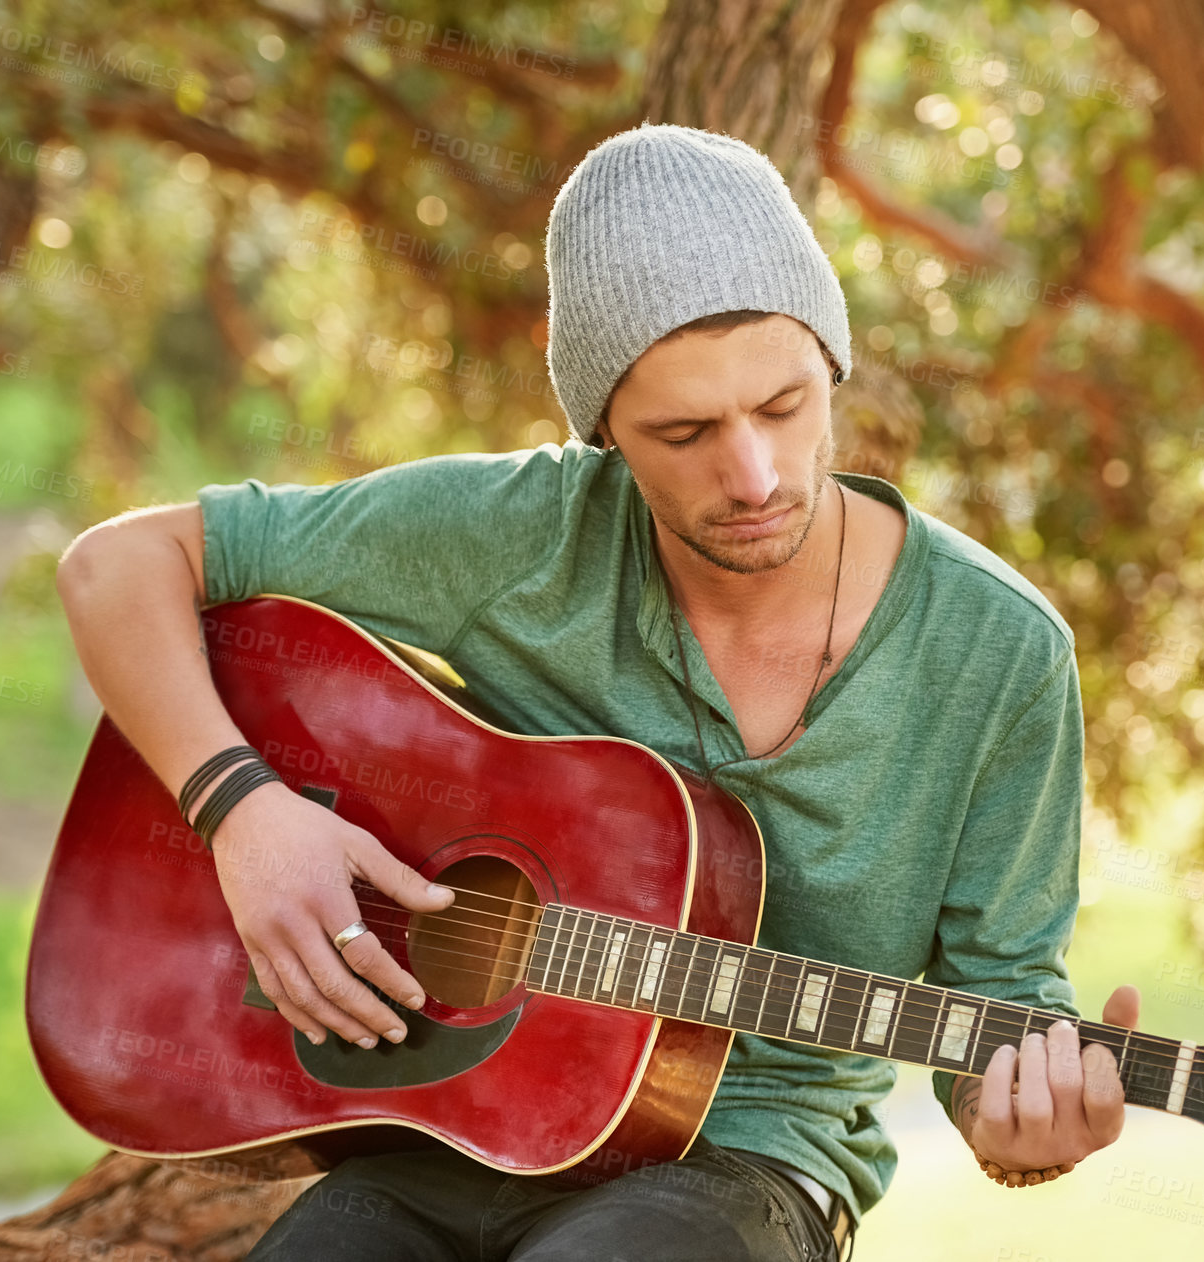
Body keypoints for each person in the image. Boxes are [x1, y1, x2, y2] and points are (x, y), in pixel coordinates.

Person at [56, 122, 1139, 1261]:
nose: (755, 475)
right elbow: (116, 566)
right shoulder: (520, 533)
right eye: (685, 432)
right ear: (603, 432)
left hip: (749, 1165)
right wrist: (245, 809)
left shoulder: (996, 649)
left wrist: (1027, 1128)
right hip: (450, 1131)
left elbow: (1000, 1004)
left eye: (783, 404)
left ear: (832, 363)